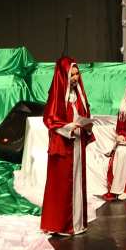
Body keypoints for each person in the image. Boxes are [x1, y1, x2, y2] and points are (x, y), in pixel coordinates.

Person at [40, 56, 91, 236]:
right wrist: (69, 127)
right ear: (64, 76)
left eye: (77, 74)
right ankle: (60, 224)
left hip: (77, 145)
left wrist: (87, 127)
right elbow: (50, 120)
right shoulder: (57, 96)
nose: (76, 78)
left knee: (77, 181)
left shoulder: (79, 96)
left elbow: (85, 115)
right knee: (61, 185)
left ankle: (76, 223)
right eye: (72, 75)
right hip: (64, 146)